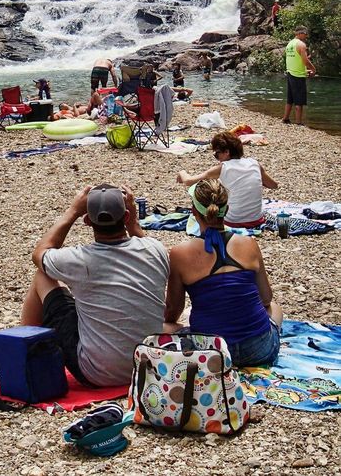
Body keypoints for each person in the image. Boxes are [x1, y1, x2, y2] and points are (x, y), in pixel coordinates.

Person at [20, 184, 169, 386]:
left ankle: (24, 351)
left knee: (42, 275)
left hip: (97, 374)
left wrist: (72, 211)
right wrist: (133, 219)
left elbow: (39, 254)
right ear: (125, 217)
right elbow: (142, 240)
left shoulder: (79, 260)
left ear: (87, 221)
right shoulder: (156, 249)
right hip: (148, 366)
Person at [165, 179, 282, 367]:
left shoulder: (180, 253)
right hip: (258, 351)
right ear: (226, 211)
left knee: (164, 327)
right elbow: (266, 298)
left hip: (210, 354)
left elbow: (172, 311)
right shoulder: (249, 244)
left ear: (194, 212)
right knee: (275, 308)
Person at [176, 130, 278, 228]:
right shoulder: (254, 164)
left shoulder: (223, 168)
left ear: (227, 152)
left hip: (231, 221)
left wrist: (182, 172)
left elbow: (189, 181)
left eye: (217, 154)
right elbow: (274, 185)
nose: (216, 157)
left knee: (202, 189)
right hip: (256, 220)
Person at [283, 26, 316, 126]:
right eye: (305, 34)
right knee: (299, 100)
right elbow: (305, 61)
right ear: (300, 34)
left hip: (290, 73)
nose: (306, 36)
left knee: (290, 99)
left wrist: (305, 66)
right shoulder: (301, 45)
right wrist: (313, 69)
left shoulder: (290, 44)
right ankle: (298, 122)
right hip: (298, 75)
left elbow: (294, 59)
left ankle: (286, 118)